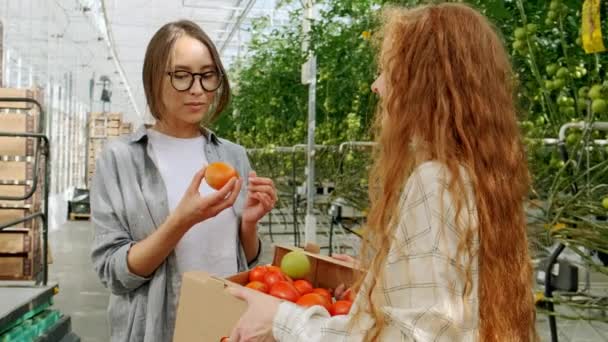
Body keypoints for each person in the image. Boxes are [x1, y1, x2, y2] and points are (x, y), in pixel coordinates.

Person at [227, 3, 537, 341]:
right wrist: (380, 278)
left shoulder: (436, 181)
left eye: (389, 71)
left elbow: (411, 337)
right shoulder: (479, 178)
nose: (377, 85)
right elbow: (448, 306)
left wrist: (284, 320)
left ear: (424, 85)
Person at [90, 20, 277, 342]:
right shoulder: (121, 158)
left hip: (228, 325)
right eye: (181, 75)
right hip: (157, 328)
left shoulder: (233, 156)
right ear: (154, 77)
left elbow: (244, 260)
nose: (197, 89)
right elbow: (114, 274)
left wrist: (248, 225)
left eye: (207, 75)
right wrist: (180, 221)